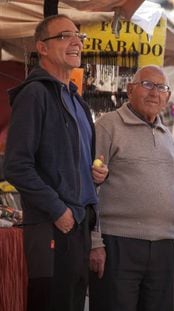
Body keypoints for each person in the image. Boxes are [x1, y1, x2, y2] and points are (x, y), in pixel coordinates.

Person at [3, 15, 108, 311]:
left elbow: (71, 163)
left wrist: (94, 174)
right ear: (42, 48)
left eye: (78, 36)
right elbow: (17, 165)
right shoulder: (35, 94)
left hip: (78, 225)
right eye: (64, 36)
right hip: (53, 226)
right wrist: (57, 209)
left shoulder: (77, 102)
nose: (76, 41)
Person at [88, 65, 174, 311]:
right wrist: (94, 242)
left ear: (167, 96)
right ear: (130, 89)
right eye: (147, 84)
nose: (154, 92)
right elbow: (90, 185)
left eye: (161, 87)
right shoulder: (108, 125)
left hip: (165, 246)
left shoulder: (167, 136)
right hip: (118, 244)